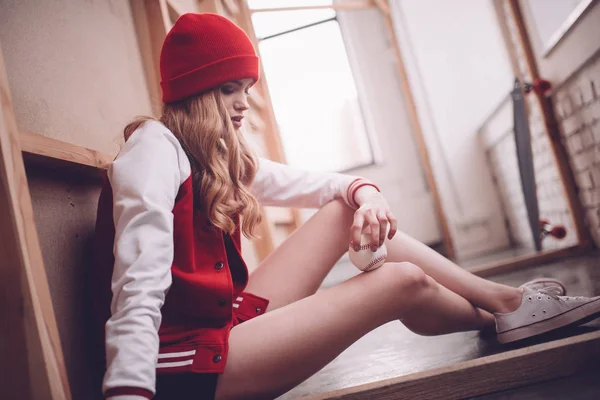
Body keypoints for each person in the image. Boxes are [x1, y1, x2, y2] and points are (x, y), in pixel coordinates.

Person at [90, 12, 600, 400]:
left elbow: (323, 187)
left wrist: (368, 196)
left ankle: (507, 306)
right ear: (194, 93)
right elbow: (136, 288)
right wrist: (130, 392)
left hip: (221, 328)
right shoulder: (154, 150)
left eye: (246, 88)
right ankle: (508, 311)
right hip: (183, 368)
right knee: (402, 281)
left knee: (342, 210)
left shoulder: (208, 154)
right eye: (228, 89)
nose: (243, 102)